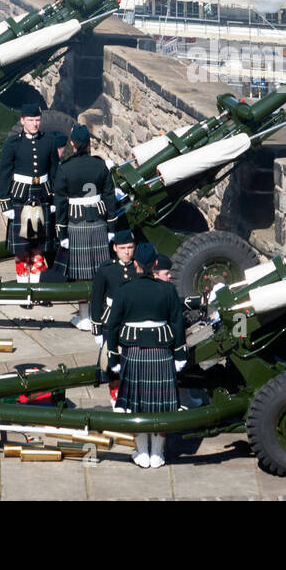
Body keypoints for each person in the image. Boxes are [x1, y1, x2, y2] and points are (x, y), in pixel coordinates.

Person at [106, 242, 186, 468]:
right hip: (161, 353)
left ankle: (141, 452)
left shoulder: (124, 289)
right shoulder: (167, 290)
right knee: (161, 405)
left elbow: (111, 326)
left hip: (134, 353)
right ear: (154, 265)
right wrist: (180, 355)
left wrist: (113, 357)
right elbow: (177, 323)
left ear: (137, 264)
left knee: (136, 405)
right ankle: (158, 454)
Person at [52, 124, 118, 330]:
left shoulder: (65, 168)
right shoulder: (100, 166)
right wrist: (112, 227)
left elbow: (61, 202)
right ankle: (101, 313)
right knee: (101, 272)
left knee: (80, 274)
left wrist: (61, 231)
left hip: (76, 223)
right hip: (98, 222)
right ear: (89, 144)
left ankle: (84, 317)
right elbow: (109, 196)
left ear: (72, 143)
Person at [0, 102, 63, 283]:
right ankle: (23, 288)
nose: (35, 124)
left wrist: (54, 201)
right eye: (30, 120)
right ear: (22, 121)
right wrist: (6, 203)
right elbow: (4, 174)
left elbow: (54, 173)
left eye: (37, 120)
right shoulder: (13, 143)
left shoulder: (49, 141)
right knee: (22, 248)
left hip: (42, 195)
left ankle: (36, 286)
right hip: (21, 196)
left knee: (38, 247)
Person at [91, 230, 137, 406]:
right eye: (123, 248)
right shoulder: (106, 269)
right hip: (111, 321)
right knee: (112, 367)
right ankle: (116, 400)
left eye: (130, 247)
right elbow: (96, 300)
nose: (127, 252)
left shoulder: (139, 267)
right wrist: (97, 329)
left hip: (133, 318)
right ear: (115, 248)